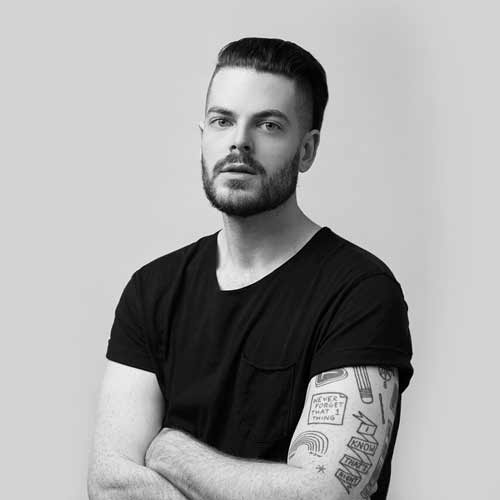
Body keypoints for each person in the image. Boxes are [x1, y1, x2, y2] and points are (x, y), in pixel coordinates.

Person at [87, 37, 413, 500]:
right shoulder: (152, 290)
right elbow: (109, 486)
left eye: (268, 125)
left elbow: (326, 495)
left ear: (307, 150)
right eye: (222, 121)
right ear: (203, 136)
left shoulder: (360, 292)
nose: (239, 141)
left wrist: (172, 451)